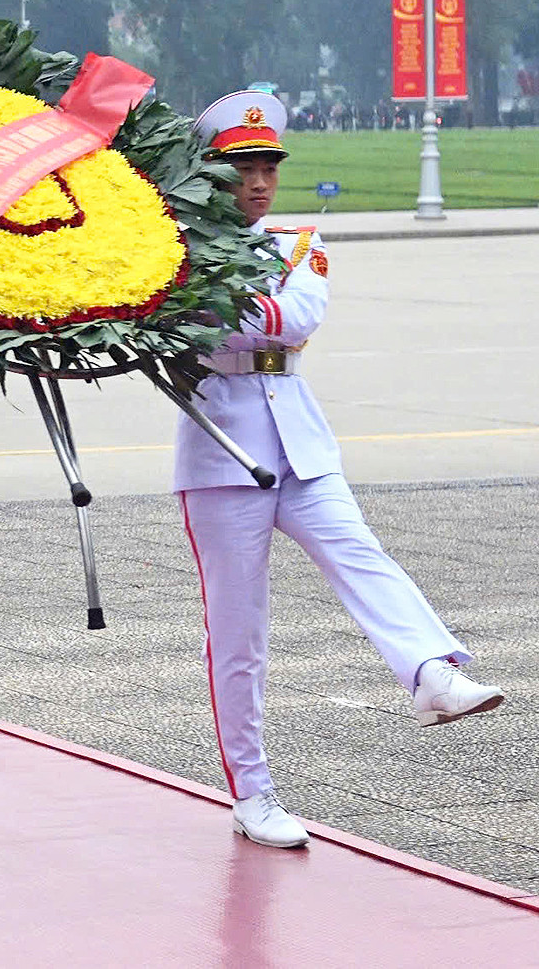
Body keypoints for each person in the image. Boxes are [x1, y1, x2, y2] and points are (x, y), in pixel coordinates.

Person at [178, 93, 502, 850]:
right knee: (238, 635)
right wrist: (226, 308)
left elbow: (293, 318)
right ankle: (252, 792)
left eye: (267, 167)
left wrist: (221, 308)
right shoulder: (176, 249)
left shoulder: (299, 241)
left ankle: (431, 672)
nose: (259, 182)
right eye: (242, 168)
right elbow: (214, 320)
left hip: (300, 441)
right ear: (212, 174)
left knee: (362, 553)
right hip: (221, 451)